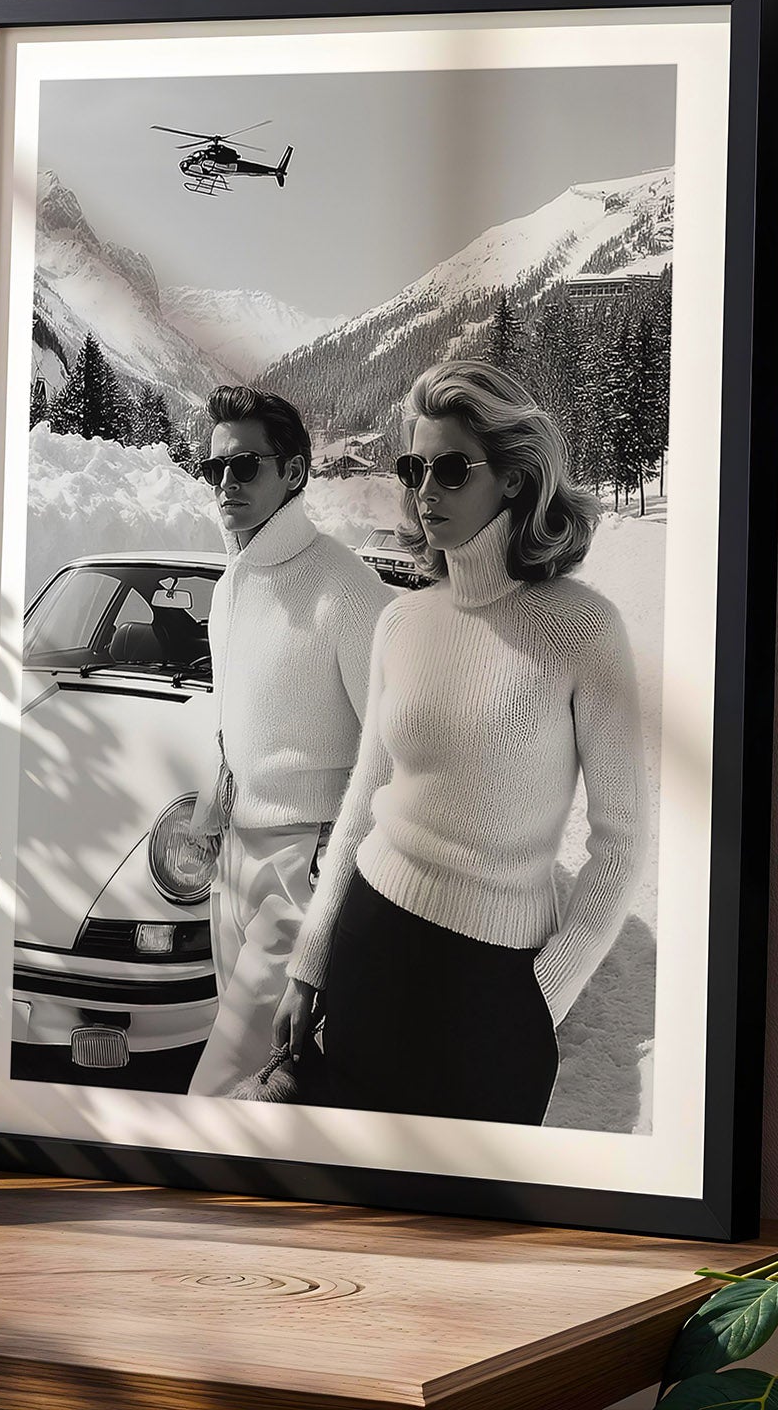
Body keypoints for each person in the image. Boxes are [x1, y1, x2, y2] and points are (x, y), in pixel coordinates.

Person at [274, 359, 642, 1126]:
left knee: (470, 1234)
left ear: (511, 478)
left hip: (494, 990)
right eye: (415, 468)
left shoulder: (584, 629)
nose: (425, 491)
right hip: (370, 948)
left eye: (450, 469)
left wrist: (543, 995)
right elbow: (364, 804)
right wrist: (310, 963)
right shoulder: (401, 623)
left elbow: (621, 843)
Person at [185, 385, 394, 1097]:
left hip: (305, 872)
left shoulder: (350, 591)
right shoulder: (231, 585)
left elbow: (393, 763)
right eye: (214, 470)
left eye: (245, 467)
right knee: (266, 1092)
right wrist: (214, 807)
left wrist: (335, 900)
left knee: (221, 1090)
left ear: (296, 473)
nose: (225, 485)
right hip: (235, 865)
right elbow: (234, 716)